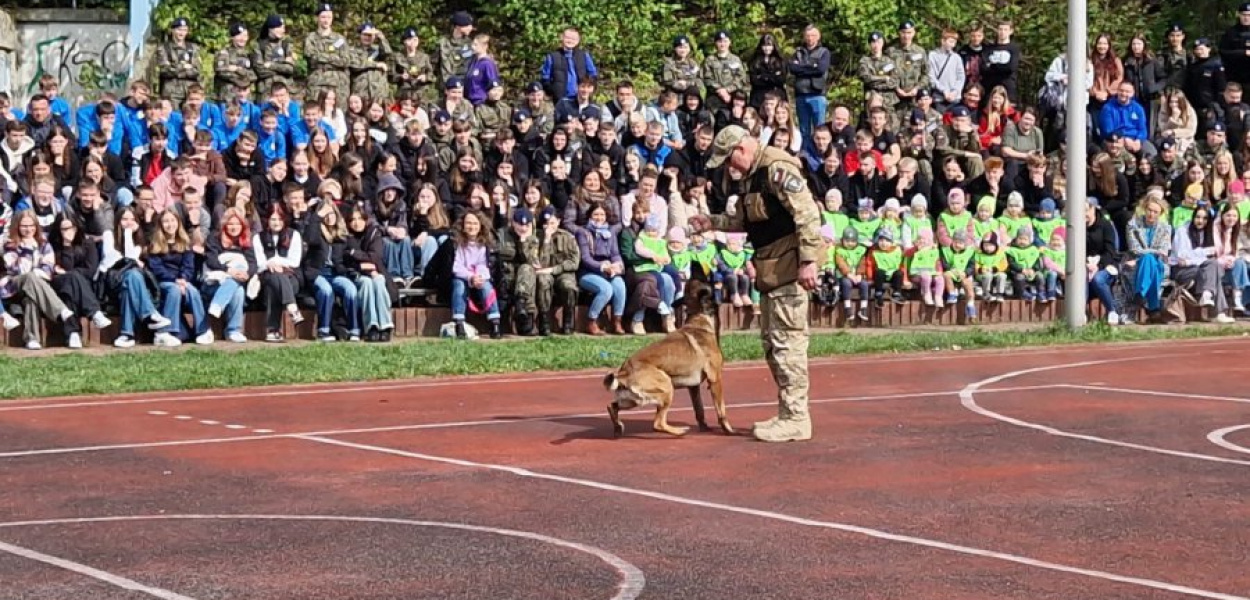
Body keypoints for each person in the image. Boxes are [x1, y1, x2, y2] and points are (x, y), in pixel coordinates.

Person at [688, 125, 821, 443]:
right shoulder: (752, 177)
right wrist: (712, 223)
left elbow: (807, 214)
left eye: (729, 160)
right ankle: (788, 413)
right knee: (774, 347)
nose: (729, 168)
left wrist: (809, 260)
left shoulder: (776, 168)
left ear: (742, 149)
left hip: (790, 270)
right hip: (772, 271)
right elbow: (747, 221)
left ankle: (796, 418)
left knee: (788, 345)